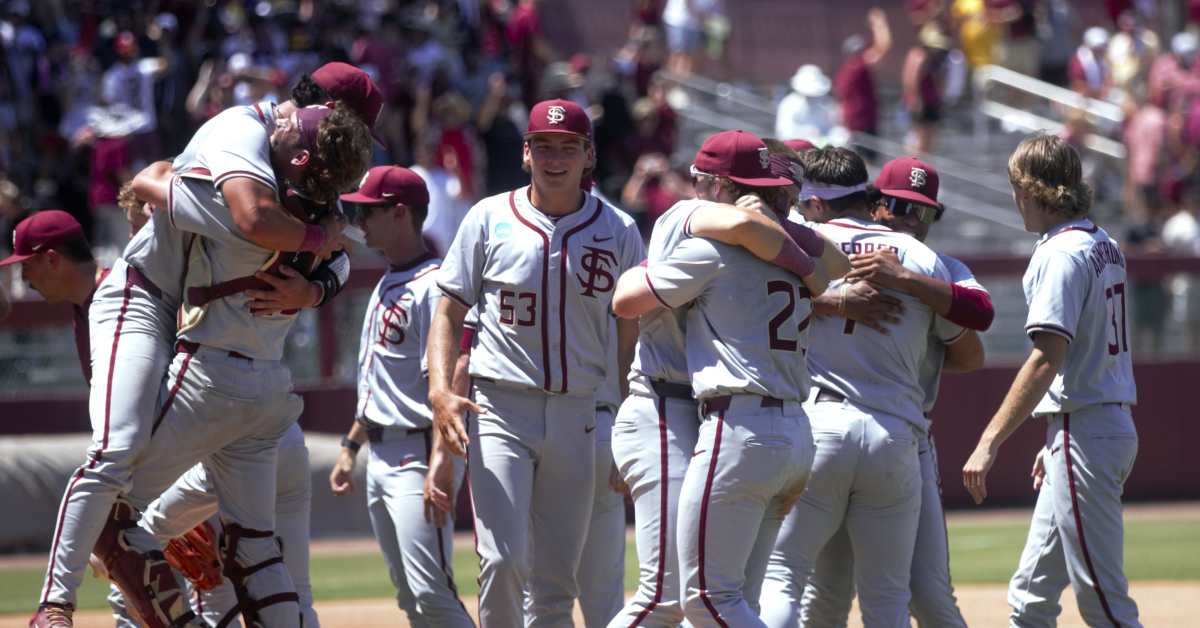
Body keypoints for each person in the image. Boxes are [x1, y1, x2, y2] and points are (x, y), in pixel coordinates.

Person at [31, 72, 372, 625]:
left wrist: (311, 263)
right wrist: (316, 269)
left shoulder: (244, 209)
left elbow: (150, 181)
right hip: (201, 341)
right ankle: (60, 603)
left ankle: (56, 603)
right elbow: (334, 252)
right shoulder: (315, 213)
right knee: (254, 547)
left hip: (205, 359)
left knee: (116, 498)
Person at [604, 130, 847, 628]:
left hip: (735, 424)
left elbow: (625, 297)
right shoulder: (721, 229)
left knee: (710, 602)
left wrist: (780, 234)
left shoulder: (723, 250)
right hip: (764, 426)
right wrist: (802, 259)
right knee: (717, 601)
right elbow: (828, 264)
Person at [423, 99, 644, 627]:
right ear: (526, 153)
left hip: (581, 411)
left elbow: (631, 335)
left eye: (568, 147)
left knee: (554, 583)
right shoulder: (488, 217)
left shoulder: (618, 229)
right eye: (543, 146)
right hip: (502, 406)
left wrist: (631, 418)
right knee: (501, 560)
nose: (555, 158)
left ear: (588, 155)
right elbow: (448, 307)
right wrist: (438, 390)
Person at [758, 147, 965, 627]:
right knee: (888, 597)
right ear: (868, 196)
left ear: (813, 201)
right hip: (895, 434)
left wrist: (828, 302)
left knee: (785, 576)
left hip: (819, 425)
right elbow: (972, 334)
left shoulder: (797, 242)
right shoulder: (920, 257)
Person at [962, 134, 1141, 627]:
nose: (1015, 198)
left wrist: (989, 439)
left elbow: (1047, 356)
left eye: (1017, 187)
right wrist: (1059, 436)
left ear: (1033, 190)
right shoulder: (1102, 242)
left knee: (1103, 604)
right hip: (1091, 423)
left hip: (1086, 429)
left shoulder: (1061, 253)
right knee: (1030, 598)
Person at [328, 166, 473, 626]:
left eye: (371, 211)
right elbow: (381, 380)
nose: (361, 220)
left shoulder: (435, 284)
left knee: (433, 592)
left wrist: (441, 460)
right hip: (381, 452)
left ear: (401, 213)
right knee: (410, 598)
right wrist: (352, 445)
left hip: (417, 449)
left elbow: (451, 379)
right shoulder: (388, 279)